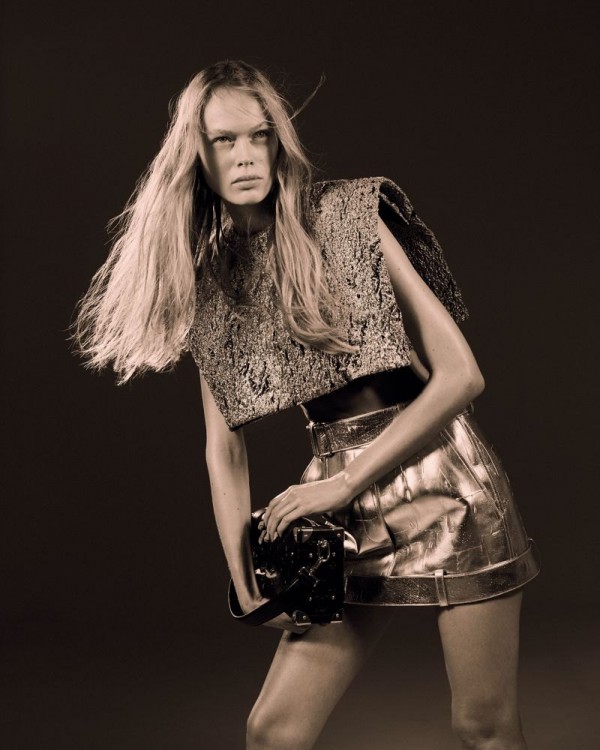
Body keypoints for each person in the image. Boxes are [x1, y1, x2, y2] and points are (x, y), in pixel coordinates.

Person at [73, 59, 540, 750]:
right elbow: (224, 447)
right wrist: (244, 581)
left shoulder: (348, 215)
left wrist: (346, 482)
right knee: (274, 731)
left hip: (442, 476)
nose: (244, 156)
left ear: (277, 142)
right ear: (195, 155)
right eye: (223, 140)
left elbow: (460, 377)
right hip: (338, 500)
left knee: (484, 728)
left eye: (258, 135)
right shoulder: (208, 278)